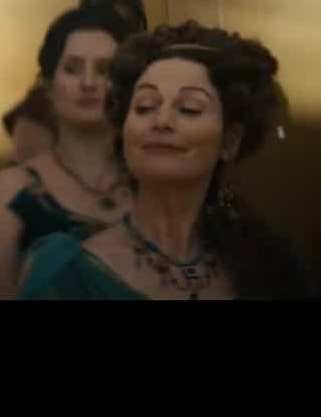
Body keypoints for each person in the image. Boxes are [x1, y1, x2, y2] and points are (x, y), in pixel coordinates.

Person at [18, 21, 313, 300]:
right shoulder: (65, 271)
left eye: (189, 108)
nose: (161, 121)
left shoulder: (268, 269)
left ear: (230, 141)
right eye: (145, 107)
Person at [0, 5, 136, 299]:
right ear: (48, 84)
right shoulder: (10, 190)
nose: (88, 83)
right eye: (72, 69)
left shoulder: (154, 180)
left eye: (105, 70)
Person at [1, 0, 147, 161]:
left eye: (123, 25)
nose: (115, 33)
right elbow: (28, 167)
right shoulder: (43, 102)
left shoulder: (152, 83)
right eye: (104, 23)